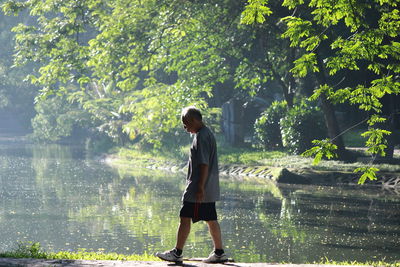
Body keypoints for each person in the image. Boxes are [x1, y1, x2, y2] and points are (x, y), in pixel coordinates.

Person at [156, 106, 228, 264]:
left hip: (198, 187)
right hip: (207, 188)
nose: (184, 126)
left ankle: (177, 253)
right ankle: (219, 252)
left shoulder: (201, 137)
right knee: (210, 218)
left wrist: (200, 187)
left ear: (195, 120)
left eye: (186, 122)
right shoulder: (207, 134)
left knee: (185, 216)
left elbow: (203, 164)